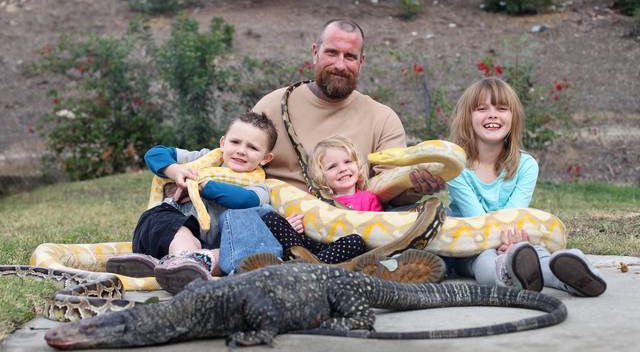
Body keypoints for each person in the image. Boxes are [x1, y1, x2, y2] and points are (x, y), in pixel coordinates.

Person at [251, 18, 444, 204]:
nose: (340, 65)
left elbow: (390, 192)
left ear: (361, 61)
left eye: (350, 56)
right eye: (332, 53)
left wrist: (415, 189)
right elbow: (236, 162)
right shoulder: (273, 105)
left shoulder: (382, 119)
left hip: (348, 227)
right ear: (315, 52)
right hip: (273, 217)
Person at [444, 77, 606, 297]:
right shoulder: (455, 166)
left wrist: (513, 245)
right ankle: (509, 276)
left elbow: (514, 216)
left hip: (513, 240)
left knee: (537, 254)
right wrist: (507, 245)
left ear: (514, 118)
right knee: (484, 262)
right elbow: (478, 221)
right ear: (467, 118)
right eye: (482, 108)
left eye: (502, 108)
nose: (492, 114)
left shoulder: (526, 165)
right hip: (468, 247)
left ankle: (573, 277)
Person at [107, 112, 283, 294]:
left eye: (252, 148)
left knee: (241, 247)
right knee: (164, 217)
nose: (241, 151)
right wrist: (176, 172)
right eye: (235, 142)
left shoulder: (259, 185)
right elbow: (155, 154)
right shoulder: (202, 159)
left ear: (265, 158)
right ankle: (180, 262)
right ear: (223, 143)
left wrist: (203, 185)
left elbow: (245, 200)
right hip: (171, 235)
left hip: (215, 248)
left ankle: (175, 266)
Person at [259, 136, 380, 264]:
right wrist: (292, 225)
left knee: (355, 241)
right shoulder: (311, 199)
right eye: (332, 166)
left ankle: (305, 266)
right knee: (270, 218)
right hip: (309, 248)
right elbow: (300, 225)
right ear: (320, 175)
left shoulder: (368, 199)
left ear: (358, 165)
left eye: (348, 162)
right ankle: (305, 264)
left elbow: (378, 235)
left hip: (342, 249)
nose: (342, 169)